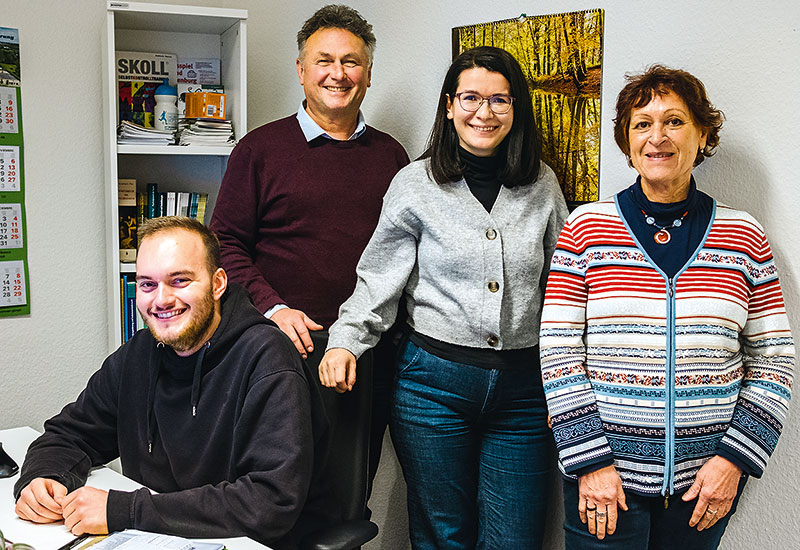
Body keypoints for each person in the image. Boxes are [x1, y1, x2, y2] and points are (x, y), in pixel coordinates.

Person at [319, 46, 568, 549]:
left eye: (500, 100)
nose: (484, 112)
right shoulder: (414, 184)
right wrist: (345, 341)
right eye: (471, 97)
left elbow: (563, 288)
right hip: (433, 389)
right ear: (450, 106)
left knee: (516, 538)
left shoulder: (542, 184)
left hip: (524, 391)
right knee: (443, 536)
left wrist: (566, 382)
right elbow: (378, 280)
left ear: (516, 109)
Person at [540, 65, 795, 550]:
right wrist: (590, 463)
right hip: (604, 483)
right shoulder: (585, 228)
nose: (657, 137)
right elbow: (557, 351)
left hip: (705, 486)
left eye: (675, 121)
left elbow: (774, 359)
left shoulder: (744, 236)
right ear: (626, 140)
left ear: (702, 135)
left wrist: (734, 461)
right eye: (642, 124)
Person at [13, 217, 329, 549]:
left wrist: (125, 510)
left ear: (218, 283)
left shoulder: (267, 358)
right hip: (160, 538)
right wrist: (43, 477)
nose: (161, 300)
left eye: (179, 280)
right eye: (147, 284)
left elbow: (269, 502)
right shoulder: (139, 355)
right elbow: (70, 434)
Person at [209, 4, 408, 497]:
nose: (337, 74)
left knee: (348, 500)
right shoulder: (259, 150)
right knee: (278, 495)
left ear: (367, 74)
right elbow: (224, 243)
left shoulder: (392, 156)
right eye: (324, 61)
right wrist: (272, 307)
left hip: (367, 352)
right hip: (283, 350)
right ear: (301, 71)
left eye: (351, 62)